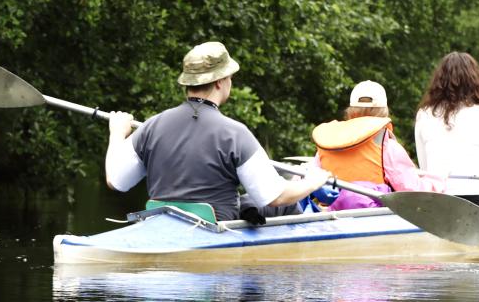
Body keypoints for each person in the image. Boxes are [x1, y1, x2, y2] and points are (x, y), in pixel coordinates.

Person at [105, 41, 327, 222]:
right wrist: (312, 181)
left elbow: (116, 181)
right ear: (220, 81)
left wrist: (117, 133)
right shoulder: (235, 134)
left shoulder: (151, 126)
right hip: (215, 229)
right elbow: (275, 197)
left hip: (160, 221)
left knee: (249, 202)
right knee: (285, 205)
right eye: (230, 77)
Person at [310, 80, 444, 211]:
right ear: (384, 111)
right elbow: (413, 192)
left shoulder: (329, 141)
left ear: (350, 111)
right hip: (371, 216)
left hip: (331, 216)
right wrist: (437, 182)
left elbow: (311, 179)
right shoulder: (387, 146)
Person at [414, 52, 479, 207]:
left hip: (436, 202)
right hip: (474, 202)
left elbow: (425, 167)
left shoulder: (423, 114)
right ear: (475, 82)